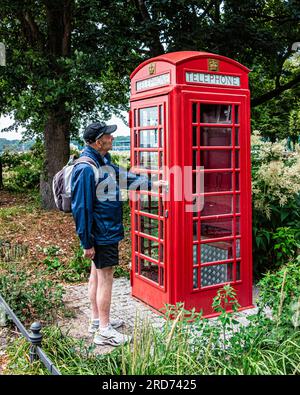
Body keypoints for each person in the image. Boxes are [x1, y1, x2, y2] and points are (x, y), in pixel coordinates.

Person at [71, 121, 160, 347]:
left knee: (97, 274)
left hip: (105, 230)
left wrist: (153, 184)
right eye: (109, 136)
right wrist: (86, 242)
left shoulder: (103, 161)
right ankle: (104, 330)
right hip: (102, 233)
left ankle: (96, 320)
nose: (112, 138)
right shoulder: (86, 167)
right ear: (99, 141)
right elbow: (81, 208)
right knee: (106, 278)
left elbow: (125, 178)